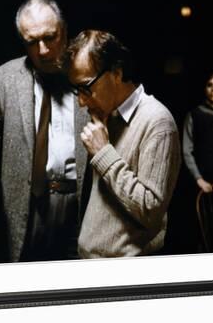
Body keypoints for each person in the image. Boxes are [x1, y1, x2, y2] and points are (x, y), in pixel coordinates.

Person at [0, 0, 90, 262]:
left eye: (50, 38)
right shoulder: (4, 77)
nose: (42, 50)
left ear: (64, 32)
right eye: (32, 42)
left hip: (83, 201)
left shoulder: (89, 71)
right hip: (29, 205)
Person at [65, 29, 181, 258]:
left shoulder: (158, 122)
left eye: (86, 88)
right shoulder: (107, 116)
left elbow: (150, 210)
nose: (80, 101)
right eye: (76, 90)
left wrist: (104, 154)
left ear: (116, 73)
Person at [182, 72, 213, 252]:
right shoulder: (194, 115)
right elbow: (186, 150)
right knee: (200, 235)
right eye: (210, 85)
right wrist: (199, 180)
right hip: (200, 184)